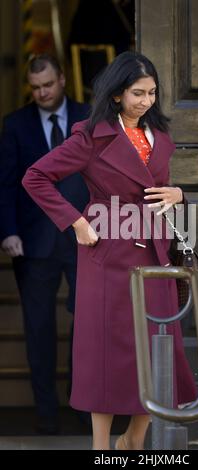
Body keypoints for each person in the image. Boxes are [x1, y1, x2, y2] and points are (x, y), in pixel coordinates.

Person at [22, 51, 198, 449]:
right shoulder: (90, 136)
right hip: (107, 257)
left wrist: (179, 193)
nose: (147, 101)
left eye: (152, 93)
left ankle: (132, 441)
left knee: (157, 351)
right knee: (104, 357)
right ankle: (101, 449)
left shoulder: (160, 138)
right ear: (117, 94)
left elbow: (162, 195)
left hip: (155, 255)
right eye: (138, 93)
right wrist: (77, 223)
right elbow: (35, 177)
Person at [0, 54, 90, 434]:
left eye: (48, 85)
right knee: (38, 328)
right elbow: (4, 183)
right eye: (35, 88)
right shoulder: (15, 124)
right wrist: (8, 230)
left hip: (85, 237)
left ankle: (84, 405)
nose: (42, 93)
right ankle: (46, 414)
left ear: (63, 79)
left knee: (86, 325)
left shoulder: (90, 117)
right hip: (33, 243)